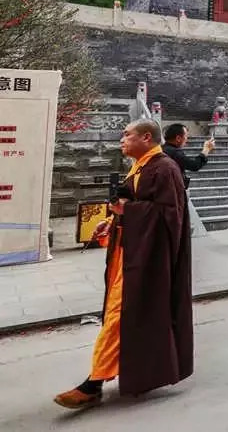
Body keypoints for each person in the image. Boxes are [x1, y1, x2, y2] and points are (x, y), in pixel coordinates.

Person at [54, 119, 192, 409]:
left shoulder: (165, 168)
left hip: (148, 258)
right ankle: (110, 375)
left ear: (146, 137)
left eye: (126, 135)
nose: (121, 139)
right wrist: (111, 220)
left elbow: (171, 215)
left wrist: (128, 211)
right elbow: (133, 204)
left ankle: (93, 383)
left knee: (119, 316)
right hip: (128, 253)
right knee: (121, 315)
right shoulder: (140, 165)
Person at [162, 123, 214, 237]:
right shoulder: (174, 152)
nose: (187, 139)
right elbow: (194, 165)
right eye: (186, 136)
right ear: (178, 138)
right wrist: (206, 150)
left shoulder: (164, 149)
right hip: (173, 195)